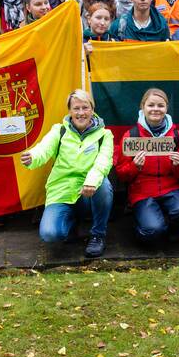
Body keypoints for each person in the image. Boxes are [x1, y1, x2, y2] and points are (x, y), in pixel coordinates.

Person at [20, 89, 114, 259]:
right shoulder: (59, 130)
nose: (81, 113)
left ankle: (98, 235)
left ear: (92, 109)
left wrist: (91, 181)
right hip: (61, 190)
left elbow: (104, 162)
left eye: (85, 108)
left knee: (104, 185)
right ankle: (71, 224)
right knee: (50, 234)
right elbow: (44, 149)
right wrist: (32, 157)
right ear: (69, 111)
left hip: (89, 191)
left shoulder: (105, 135)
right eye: (76, 108)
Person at [114, 88, 179, 245]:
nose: (156, 109)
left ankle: (166, 227)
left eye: (160, 105)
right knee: (152, 232)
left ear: (166, 108)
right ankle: (147, 223)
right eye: (151, 105)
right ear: (143, 107)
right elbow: (121, 174)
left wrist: (178, 165)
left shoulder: (176, 135)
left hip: (170, 187)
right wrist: (134, 166)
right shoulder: (131, 136)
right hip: (142, 190)